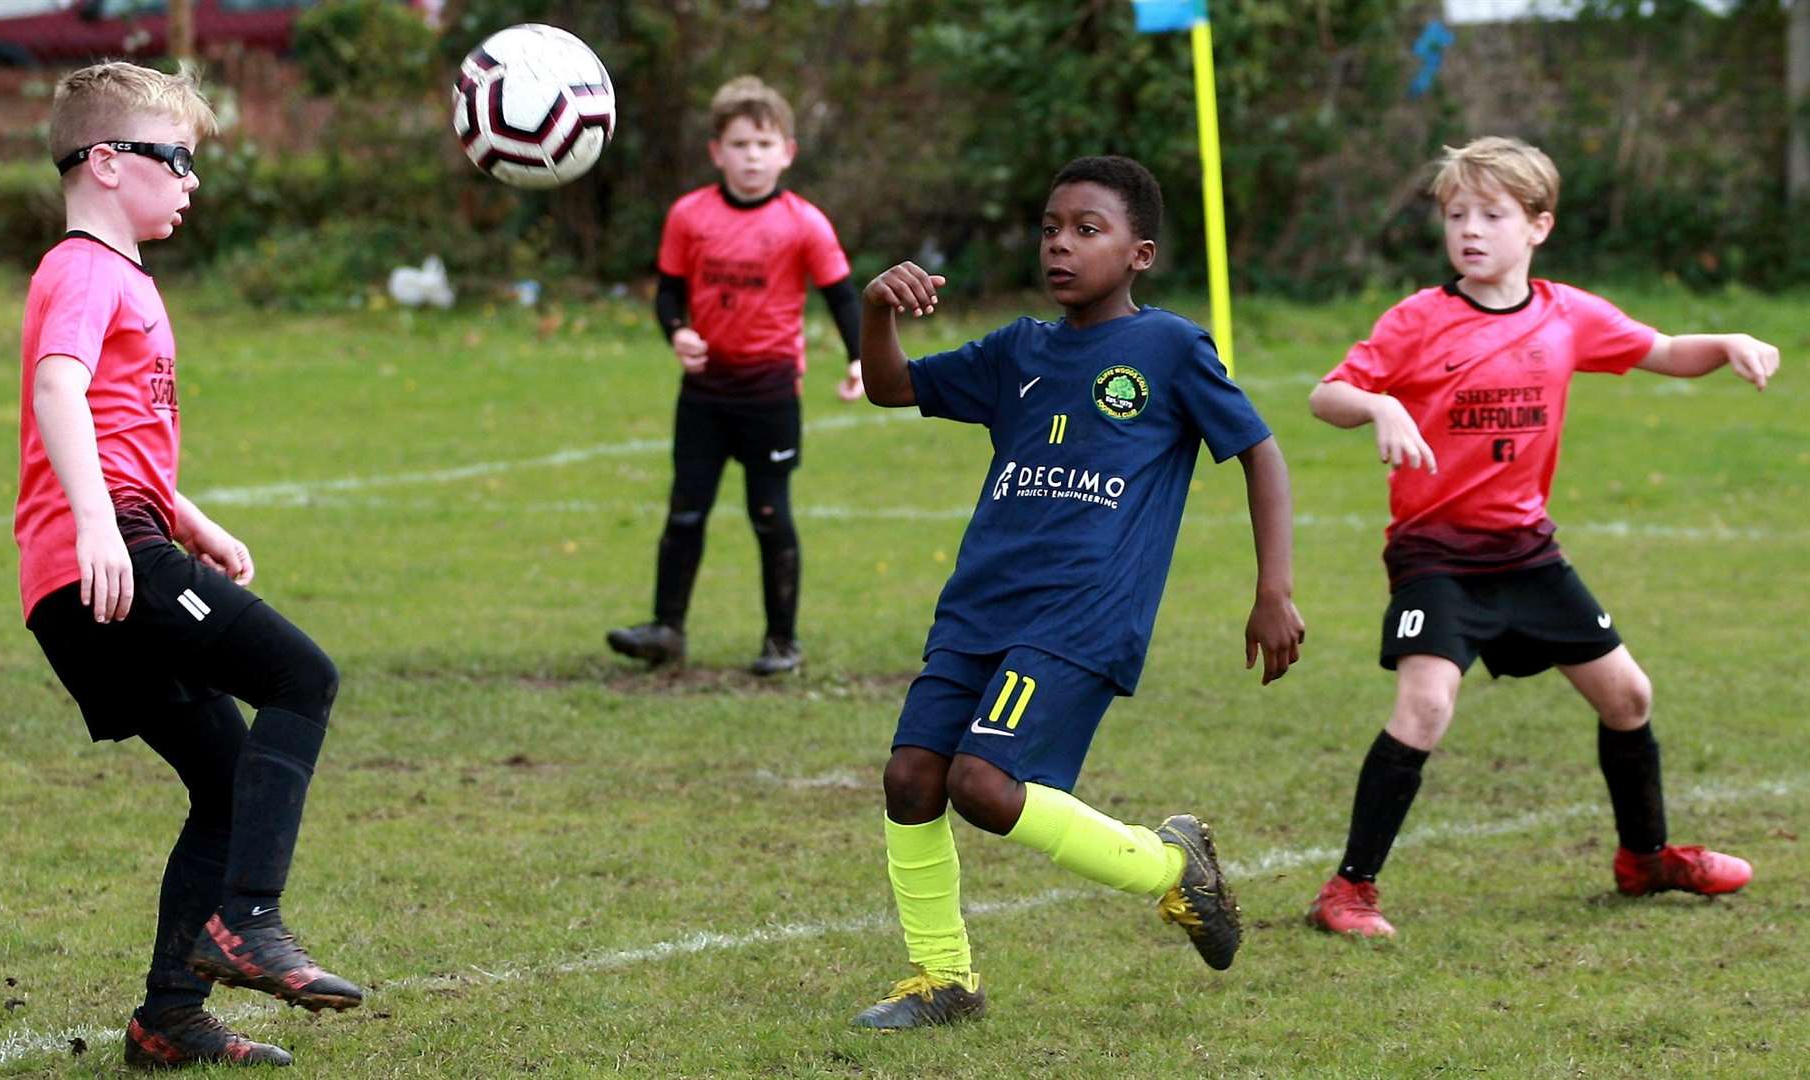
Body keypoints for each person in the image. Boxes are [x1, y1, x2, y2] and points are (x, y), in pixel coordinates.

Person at [849, 155, 1306, 1028]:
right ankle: (943, 981)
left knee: (984, 784)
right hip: (980, 604)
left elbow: (1260, 451)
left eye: (1086, 230)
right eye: (1051, 229)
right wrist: (876, 311)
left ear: (1138, 254)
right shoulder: (1017, 349)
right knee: (911, 777)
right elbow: (890, 385)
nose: (1061, 245)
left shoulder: (1169, 348)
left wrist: (1272, 590)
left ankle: (1174, 871)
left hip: (1082, 615)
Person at [1303, 136, 1781, 938]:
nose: (1471, 229)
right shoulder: (1418, 320)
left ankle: (1646, 859)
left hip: (1526, 551)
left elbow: (1661, 350)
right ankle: (1347, 891)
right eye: (1457, 214)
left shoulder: (1567, 315)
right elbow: (1327, 394)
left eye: (1492, 214)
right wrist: (1379, 405)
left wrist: (1727, 341)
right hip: (1435, 553)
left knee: (1627, 696)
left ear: (1538, 226)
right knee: (1424, 707)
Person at [15, 62, 363, 1069]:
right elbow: (57, 392)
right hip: (109, 556)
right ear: (110, 163)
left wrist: (189, 517)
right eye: (178, 160)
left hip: (109, 548)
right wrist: (100, 527)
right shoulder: (83, 268)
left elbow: (122, 433)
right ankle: (247, 922)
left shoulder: (120, 277)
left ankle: (168, 1018)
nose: (192, 181)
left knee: (221, 776)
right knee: (304, 677)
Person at [605, 75, 865, 676]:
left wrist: (857, 358)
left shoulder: (804, 223)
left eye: (765, 144)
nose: (753, 156)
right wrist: (678, 332)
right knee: (685, 510)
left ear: (788, 152)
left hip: (770, 391)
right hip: (704, 393)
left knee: (769, 514)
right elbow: (669, 292)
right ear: (716, 151)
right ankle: (666, 630)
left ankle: (782, 641)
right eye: (741, 144)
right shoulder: (689, 216)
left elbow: (842, 297)